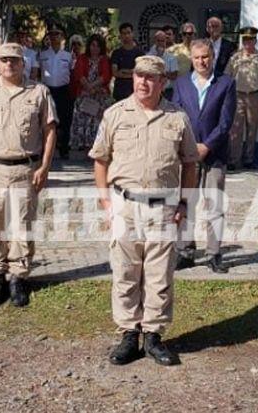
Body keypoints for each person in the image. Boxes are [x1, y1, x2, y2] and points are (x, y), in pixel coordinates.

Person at [89, 55, 199, 367]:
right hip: (125, 205)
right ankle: (128, 334)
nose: (143, 82)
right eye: (139, 75)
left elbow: (190, 163)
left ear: (163, 83)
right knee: (125, 271)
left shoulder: (177, 117)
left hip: (163, 207)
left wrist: (184, 203)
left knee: (159, 274)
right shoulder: (115, 114)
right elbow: (100, 160)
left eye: (151, 77)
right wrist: (106, 202)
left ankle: (153, 335)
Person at [0, 42, 57, 308]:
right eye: (4, 60)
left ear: (23, 63)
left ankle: (18, 278)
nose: (9, 64)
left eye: (14, 60)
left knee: (22, 225)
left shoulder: (38, 92)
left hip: (25, 168)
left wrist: (45, 167)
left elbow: (50, 131)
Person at [171, 39, 237, 274]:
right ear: (191, 58)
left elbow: (226, 121)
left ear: (213, 57)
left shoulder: (226, 83)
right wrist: (190, 147)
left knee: (214, 205)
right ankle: (185, 251)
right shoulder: (180, 84)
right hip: (187, 155)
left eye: (206, 57)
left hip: (215, 153)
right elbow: (177, 117)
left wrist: (206, 146)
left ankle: (213, 254)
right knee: (185, 201)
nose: (202, 61)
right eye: (197, 57)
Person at [226, 26, 258, 170]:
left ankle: (249, 160)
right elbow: (228, 77)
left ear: (255, 41)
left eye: (250, 40)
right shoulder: (235, 57)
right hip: (238, 96)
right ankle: (234, 160)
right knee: (236, 130)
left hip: (255, 96)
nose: (247, 43)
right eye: (245, 40)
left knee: (252, 130)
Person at [69, 34, 112, 151]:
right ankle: (82, 144)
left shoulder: (105, 59)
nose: (95, 48)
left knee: (97, 120)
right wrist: (88, 87)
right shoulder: (82, 58)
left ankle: (97, 145)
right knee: (83, 118)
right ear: (89, 46)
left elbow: (106, 75)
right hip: (84, 94)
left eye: (98, 46)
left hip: (99, 95)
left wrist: (93, 87)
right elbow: (79, 74)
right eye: (93, 45)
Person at [38, 26, 74, 159]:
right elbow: (38, 73)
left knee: (64, 121)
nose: (55, 37)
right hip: (47, 90)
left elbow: (71, 72)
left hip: (63, 90)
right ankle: (45, 149)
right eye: (52, 35)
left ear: (62, 37)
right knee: (46, 120)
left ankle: (64, 149)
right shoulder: (42, 55)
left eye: (57, 35)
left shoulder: (68, 56)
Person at [110, 22, 144, 101]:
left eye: (128, 33)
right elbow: (115, 73)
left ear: (133, 34)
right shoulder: (116, 53)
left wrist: (124, 71)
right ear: (120, 36)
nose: (126, 36)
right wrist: (132, 72)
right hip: (120, 92)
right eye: (124, 33)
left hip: (135, 91)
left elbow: (140, 72)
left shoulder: (140, 53)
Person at [147, 30, 179, 100]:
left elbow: (174, 75)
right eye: (158, 41)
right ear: (155, 41)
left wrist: (162, 73)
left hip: (167, 92)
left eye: (163, 41)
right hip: (152, 90)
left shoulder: (172, 57)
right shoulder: (148, 56)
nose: (161, 43)